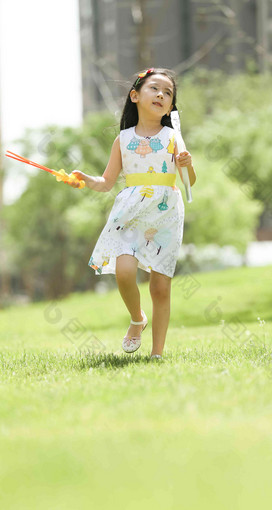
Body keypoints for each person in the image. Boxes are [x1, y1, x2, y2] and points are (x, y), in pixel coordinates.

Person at [68, 67, 196, 360]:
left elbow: (190, 182)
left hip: (165, 213)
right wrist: (85, 179)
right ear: (135, 96)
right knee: (124, 272)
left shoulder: (173, 137)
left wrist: (187, 164)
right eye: (155, 89)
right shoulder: (122, 140)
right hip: (131, 212)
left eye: (168, 93)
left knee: (161, 287)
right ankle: (137, 319)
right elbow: (106, 182)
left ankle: (157, 355)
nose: (162, 95)